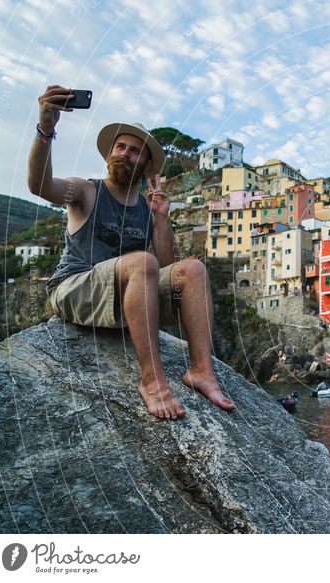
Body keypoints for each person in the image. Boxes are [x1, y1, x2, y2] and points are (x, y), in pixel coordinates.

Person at [28, 85, 235, 420]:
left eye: (134, 151)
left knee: (193, 269)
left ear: (147, 164)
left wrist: (161, 218)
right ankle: (153, 382)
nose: (124, 153)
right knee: (142, 262)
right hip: (76, 289)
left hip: (122, 297)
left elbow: (170, 270)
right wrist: (46, 130)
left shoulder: (145, 207)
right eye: (120, 147)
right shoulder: (86, 191)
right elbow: (40, 186)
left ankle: (201, 371)